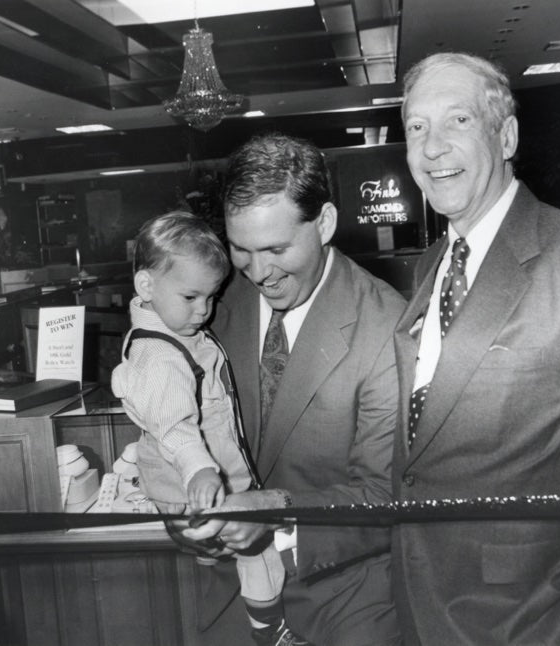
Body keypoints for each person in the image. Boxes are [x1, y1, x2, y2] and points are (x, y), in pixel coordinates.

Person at [392, 51, 560, 645]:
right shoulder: (432, 264)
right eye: (416, 128)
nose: (431, 149)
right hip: (423, 604)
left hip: (533, 619)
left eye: (457, 121)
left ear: (504, 136)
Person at [179, 133, 406, 646]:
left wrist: (273, 509)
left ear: (324, 223)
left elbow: (382, 496)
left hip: (344, 599)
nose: (259, 273)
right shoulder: (209, 303)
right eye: (241, 249)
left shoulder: (387, 326)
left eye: (277, 249)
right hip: (228, 597)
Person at [111, 212, 299, 646]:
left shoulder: (168, 327)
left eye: (211, 297)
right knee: (257, 550)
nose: (204, 310)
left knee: (237, 550)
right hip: (197, 482)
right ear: (146, 286)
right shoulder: (161, 356)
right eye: (191, 297)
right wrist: (199, 469)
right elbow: (176, 427)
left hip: (189, 487)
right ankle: (269, 629)